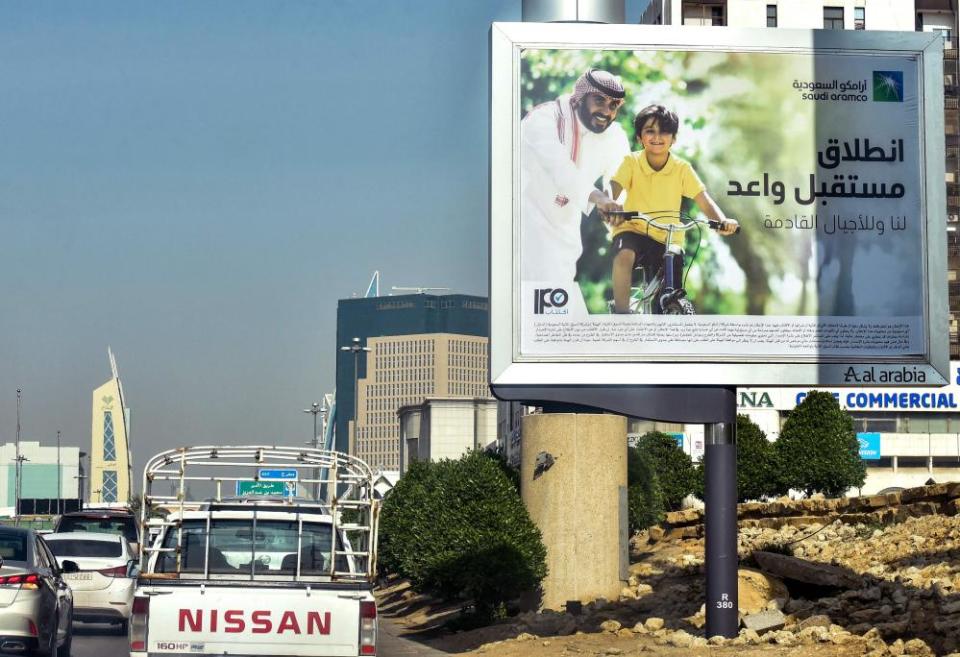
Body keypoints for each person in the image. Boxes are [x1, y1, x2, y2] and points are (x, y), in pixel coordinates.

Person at [608, 104, 739, 314]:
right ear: (640, 137)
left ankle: (670, 310)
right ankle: (622, 314)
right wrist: (609, 205)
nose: (657, 136)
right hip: (634, 229)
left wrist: (722, 221)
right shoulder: (631, 162)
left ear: (674, 138)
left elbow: (704, 200)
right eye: (650, 130)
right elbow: (612, 190)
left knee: (670, 289)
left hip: (668, 237)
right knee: (624, 255)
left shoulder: (682, 169)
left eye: (664, 131)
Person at [521, 68, 630, 299]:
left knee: (555, 310)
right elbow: (560, 168)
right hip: (526, 220)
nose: (606, 111)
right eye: (599, 100)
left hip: (565, 232)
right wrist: (600, 199)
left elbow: (620, 181)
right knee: (531, 305)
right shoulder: (544, 119)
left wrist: (617, 217)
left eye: (613, 106)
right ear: (580, 97)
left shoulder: (615, 136)